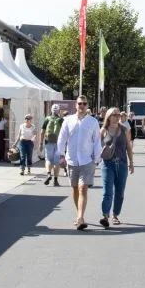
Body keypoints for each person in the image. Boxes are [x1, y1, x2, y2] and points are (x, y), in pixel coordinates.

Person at [58, 96, 102, 230]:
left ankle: (80, 217)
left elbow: (96, 141)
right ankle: (79, 214)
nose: (82, 106)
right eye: (79, 103)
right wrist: (61, 155)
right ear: (75, 105)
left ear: (87, 105)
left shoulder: (93, 122)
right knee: (75, 188)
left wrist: (96, 159)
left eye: (84, 103)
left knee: (83, 188)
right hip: (71, 159)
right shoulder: (68, 121)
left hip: (87, 160)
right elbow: (62, 138)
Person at [99, 107, 135, 228]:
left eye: (118, 115)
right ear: (108, 116)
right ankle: (105, 215)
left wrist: (131, 163)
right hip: (107, 164)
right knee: (107, 191)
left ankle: (115, 215)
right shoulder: (103, 130)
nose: (116, 117)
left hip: (122, 164)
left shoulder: (124, 129)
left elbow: (128, 147)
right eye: (114, 115)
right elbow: (96, 147)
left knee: (119, 192)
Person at [42, 105, 65, 185]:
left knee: (48, 160)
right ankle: (55, 180)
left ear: (51, 110)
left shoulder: (47, 119)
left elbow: (42, 131)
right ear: (58, 111)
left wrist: (40, 143)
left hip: (48, 141)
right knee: (57, 162)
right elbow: (64, 133)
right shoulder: (61, 120)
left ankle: (48, 173)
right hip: (58, 143)